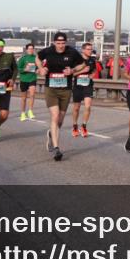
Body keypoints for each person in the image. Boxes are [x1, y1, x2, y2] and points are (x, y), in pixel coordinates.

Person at [37, 32, 85, 162]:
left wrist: (72, 70)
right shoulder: (48, 51)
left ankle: (51, 134)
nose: (60, 46)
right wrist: (41, 68)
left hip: (66, 89)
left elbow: (82, 64)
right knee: (55, 115)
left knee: (61, 120)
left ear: (66, 42)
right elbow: (37, 57)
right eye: (58, 43)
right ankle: (57, 148)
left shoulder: (72, 52)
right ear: (54, 43)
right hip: (51, 88)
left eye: (63, 43)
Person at [71, 42, 98, 138]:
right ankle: (74, 126)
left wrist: (92, 75)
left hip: (88, 85)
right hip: (78, 86)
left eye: (91, 49)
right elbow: (71, 74)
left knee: (87, 106)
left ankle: (84, 126)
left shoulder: (92, 60)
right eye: (88, 49)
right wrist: (82, 71)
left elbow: (94, 70)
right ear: (83, 50)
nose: (90, 51)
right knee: (76, 108)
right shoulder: (77, 60)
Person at [17, 43, 39, 121]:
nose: (31, 50)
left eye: (32, 49)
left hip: (32, 78)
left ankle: (30, 111)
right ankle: (23, 113)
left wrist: (37, 70)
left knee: (32, 94)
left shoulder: (36, 58)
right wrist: (24, 70)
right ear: (26, 50)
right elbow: (18, 69)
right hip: (24, 79)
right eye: (29, 49)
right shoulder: (23, 58)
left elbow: (38, 67)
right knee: (24, 98)